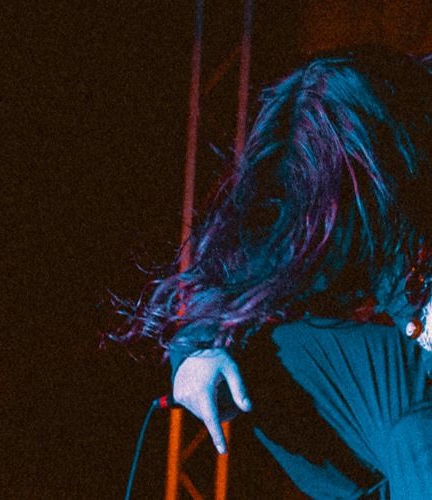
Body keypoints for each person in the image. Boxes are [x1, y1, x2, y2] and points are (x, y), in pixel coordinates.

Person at [113, 46, 431, 497]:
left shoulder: (402, 186)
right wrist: (194, 359)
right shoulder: (339, 208)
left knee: (415, 435)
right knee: (262, 354)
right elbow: (240, 287)